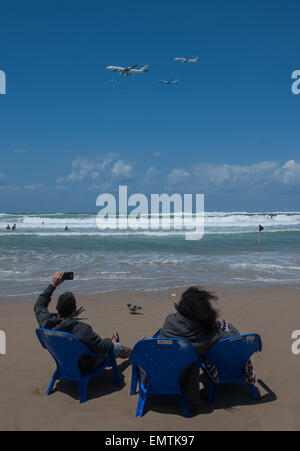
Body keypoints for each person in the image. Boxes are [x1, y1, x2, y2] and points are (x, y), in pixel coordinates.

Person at [157, 286, 256, 412]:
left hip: (154, 374)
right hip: (181, 380)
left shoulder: (169, 319)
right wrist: (218, 323)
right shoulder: (205, 337)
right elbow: (234, 337)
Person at [34, 271, 131, 374]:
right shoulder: (82, 329)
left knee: (93, 339)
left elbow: (39, 305)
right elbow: (102, 348)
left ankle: (112, 341)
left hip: (63, 361)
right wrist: (109, 342)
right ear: (75, 309)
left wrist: (52, 285)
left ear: (57, 307)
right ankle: (135, 352)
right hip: (84, 366)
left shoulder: (46, 322)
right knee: (118, 348)